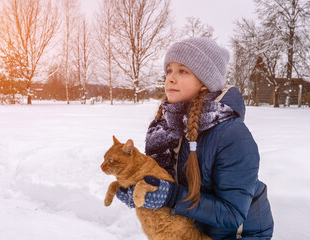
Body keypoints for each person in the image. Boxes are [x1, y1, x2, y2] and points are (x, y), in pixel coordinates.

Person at [116, 37, 274, 239]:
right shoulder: (163, 127)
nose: (170, 78)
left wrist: (172, 196)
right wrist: (139, 187)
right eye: (169, 70)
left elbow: (232, 214)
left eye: (183, 71)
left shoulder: (231, 135)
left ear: (204, 83)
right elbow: (161, 179)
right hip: (192, 230)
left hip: (237, 234)